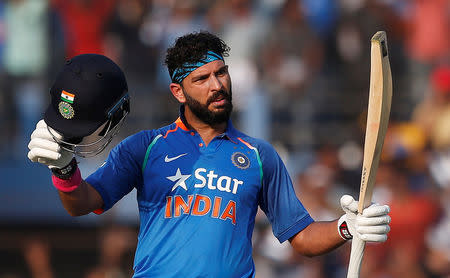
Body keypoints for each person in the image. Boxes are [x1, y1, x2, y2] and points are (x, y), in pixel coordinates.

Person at [28, 31, 391, 277]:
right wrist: (63, 168)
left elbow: (301, 237)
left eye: (221, 73)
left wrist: (346, 228)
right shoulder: (145, 147)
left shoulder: (260, 156)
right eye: (201, 79)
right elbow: (82, 203)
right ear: (178, 91)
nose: (217, 85)